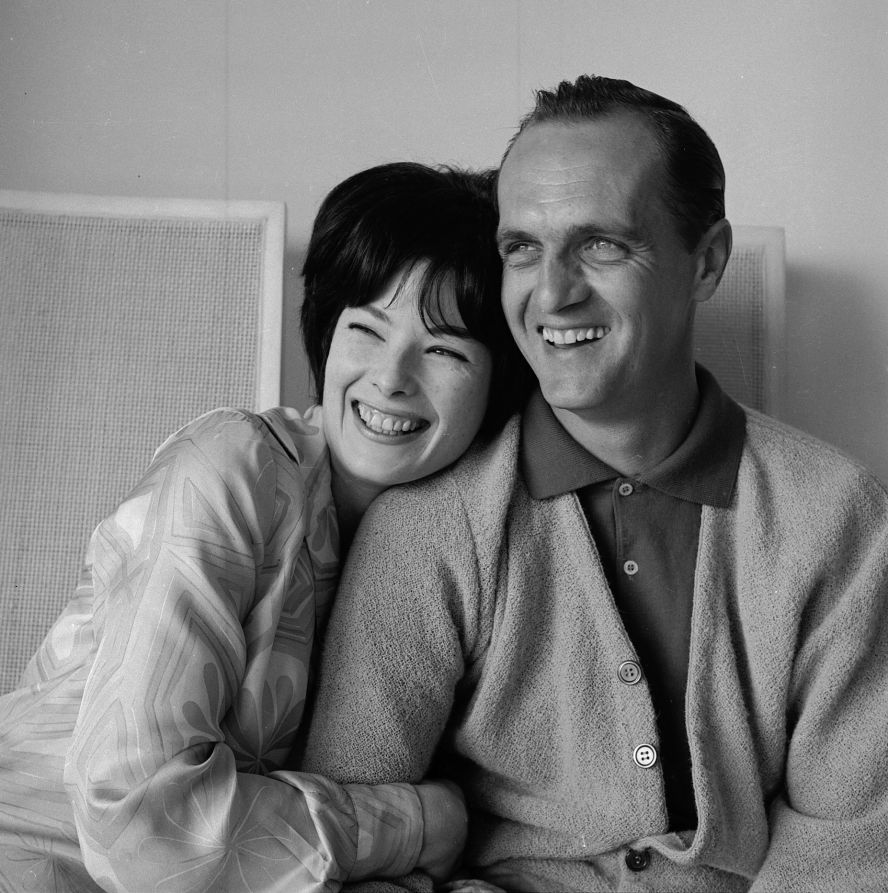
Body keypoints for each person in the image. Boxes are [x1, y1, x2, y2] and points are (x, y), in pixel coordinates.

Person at [301, 76, 888, 892]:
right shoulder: (431, 526)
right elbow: (349, 828)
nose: (551, 293)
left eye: (602, 244)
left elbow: (852, 846)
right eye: (521, 249)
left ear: (706, 261)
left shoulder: (841, 519)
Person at [0, 161, 529, 892]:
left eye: (443, 350)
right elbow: (142, 821)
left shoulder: (463, 547)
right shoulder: (234, 467)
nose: (391, 378)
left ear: (498, 379)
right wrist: (416, 822)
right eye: (366, 331)